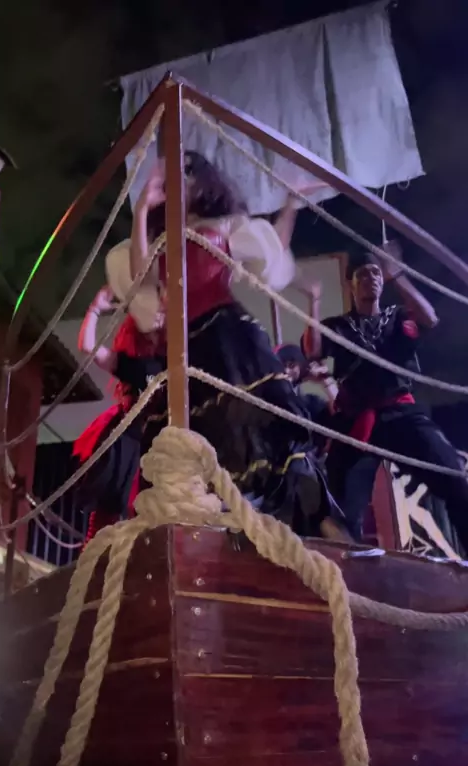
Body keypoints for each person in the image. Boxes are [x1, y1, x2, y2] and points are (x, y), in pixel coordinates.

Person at [103, 150, 348, 540]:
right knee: (200, 441)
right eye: (168, 176)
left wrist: (291, 204)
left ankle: (316, 523)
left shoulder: (225, 225)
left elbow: (272, 257)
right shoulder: (155, 239)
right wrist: (141, 211)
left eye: (184, 173)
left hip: (230, 340)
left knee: (261, 429)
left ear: (201, 181)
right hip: (184, 351)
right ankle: (222, 538)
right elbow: (140, 277)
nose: (175, 181)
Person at [300, 242, 468, 554]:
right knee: (341, 508)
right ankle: (348, 571)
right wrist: (315, 302)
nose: (371, 278)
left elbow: (429, 319)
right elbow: (313, 351)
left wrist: (397, 274)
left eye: (376, 273)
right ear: (351, 285)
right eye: (363, 274)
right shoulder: (338, 326)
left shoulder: (399, 317)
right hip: (358, 421)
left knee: (454, 477)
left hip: (401, 414)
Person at [73, 290, 163, 544]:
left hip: (163, 448)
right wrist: (95, 309)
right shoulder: (140, 365)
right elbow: (88, 347)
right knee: (106, 524)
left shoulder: (180, 359)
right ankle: (93, 564)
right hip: (130, 444)